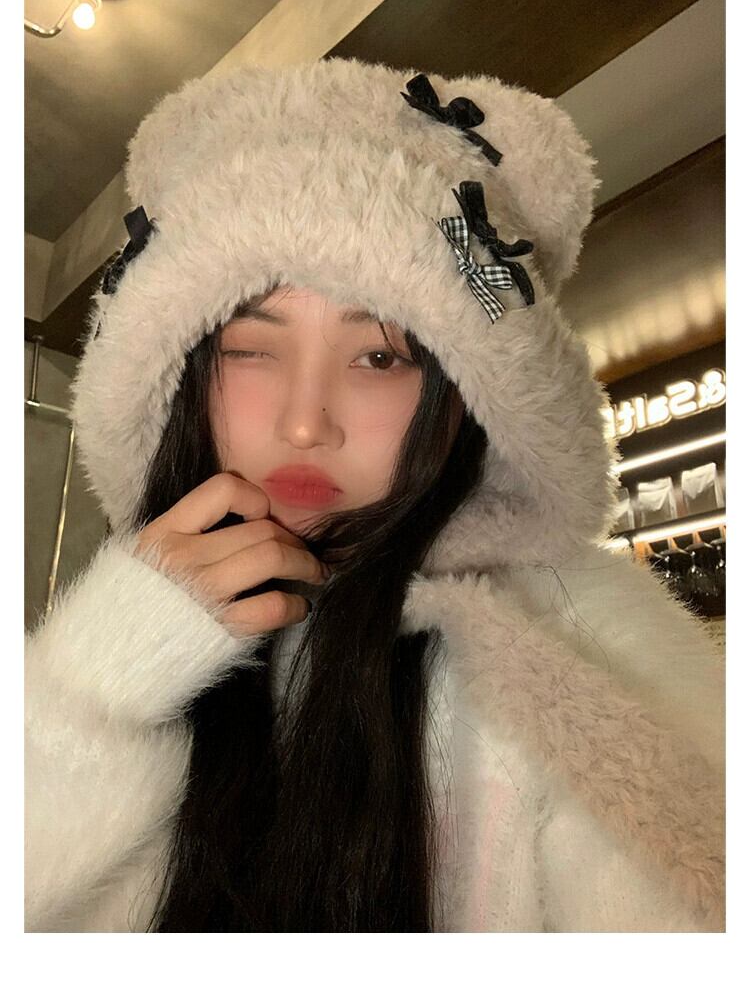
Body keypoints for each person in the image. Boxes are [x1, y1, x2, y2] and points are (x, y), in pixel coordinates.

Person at [24, 57, 725, 933]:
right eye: (251, 348)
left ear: (466, 393)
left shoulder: (579, 643)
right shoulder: (101, 648)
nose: (305, 423)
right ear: (179, 372)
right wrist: (93, 687)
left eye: (380, 356)